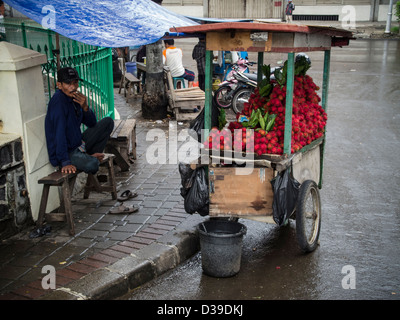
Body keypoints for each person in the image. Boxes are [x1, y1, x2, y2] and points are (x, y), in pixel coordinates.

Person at [45, 67, 114, 175]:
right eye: (68, 84)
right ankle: (89, 158)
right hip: (68, 152)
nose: (73, 87)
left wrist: (85, 107)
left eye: (75, 83)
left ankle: (89, 155)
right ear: (59, 85)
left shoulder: (75, 98)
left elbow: (92, 124)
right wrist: (65, 162)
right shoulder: (58, 102)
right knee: (93, 164)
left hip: (78, 143)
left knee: (108, 122)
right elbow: (59, 133)